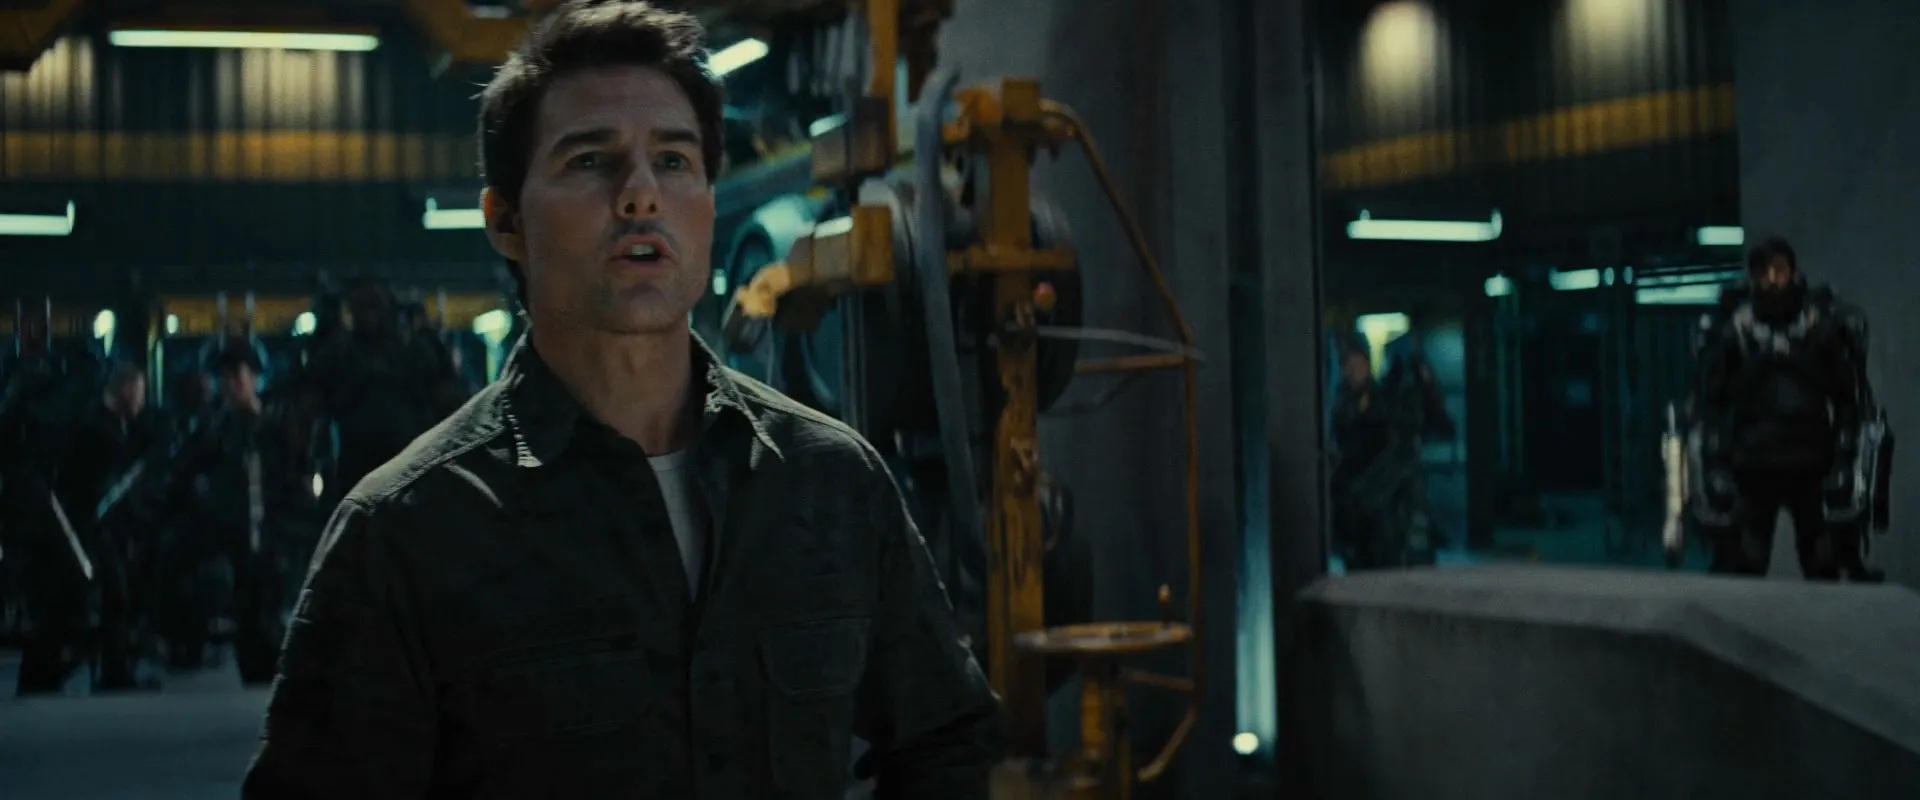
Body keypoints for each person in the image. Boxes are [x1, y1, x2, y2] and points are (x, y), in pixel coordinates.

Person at [243, 2, 1003, 797]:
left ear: (709, 201)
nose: (641, 195)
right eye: (590, 162)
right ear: (505, 221)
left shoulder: (829, 483)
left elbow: (951, 739)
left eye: (673, 161)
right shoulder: (407, 534)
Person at [1693, 236, 1877, 580]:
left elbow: (1848, 402)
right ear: (1752, 277)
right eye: (1763, 272)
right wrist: (1716, 463)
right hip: (1753, 464)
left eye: (1779, 270)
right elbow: (1711, 405)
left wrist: (1843, 460)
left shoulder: (1820, 327)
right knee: (1744, 566)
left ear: (1793, 272)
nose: (1772, 280)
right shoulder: (1735, 332)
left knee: (1823, 565)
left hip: (1811, 463)